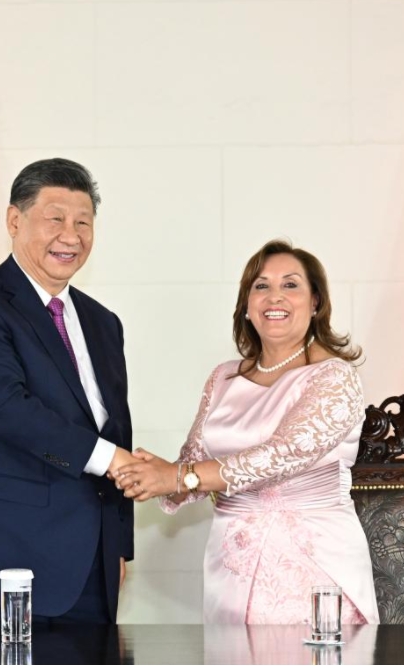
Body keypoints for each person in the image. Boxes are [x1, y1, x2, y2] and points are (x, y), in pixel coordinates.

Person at [113, 239, 379, 625]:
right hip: (231, 563)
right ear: (247, 305)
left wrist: (176, 476)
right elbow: (194, 463)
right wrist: (153, 473)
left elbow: (282, 454)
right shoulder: (223, 377)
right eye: (261, 285)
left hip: (313, 564)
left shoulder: (335, 376)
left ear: (316, 302)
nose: (275, 297)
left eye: (290, 285)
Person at [0, 158, 134, 624]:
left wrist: (119, 546)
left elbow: (115, 427)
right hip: (4, 560)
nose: (72, 235)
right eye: (56, 219)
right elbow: (8, 409)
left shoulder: (104, 323)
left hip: (92, 571)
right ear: (14, 220)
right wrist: (111, 459)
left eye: (84, 222)